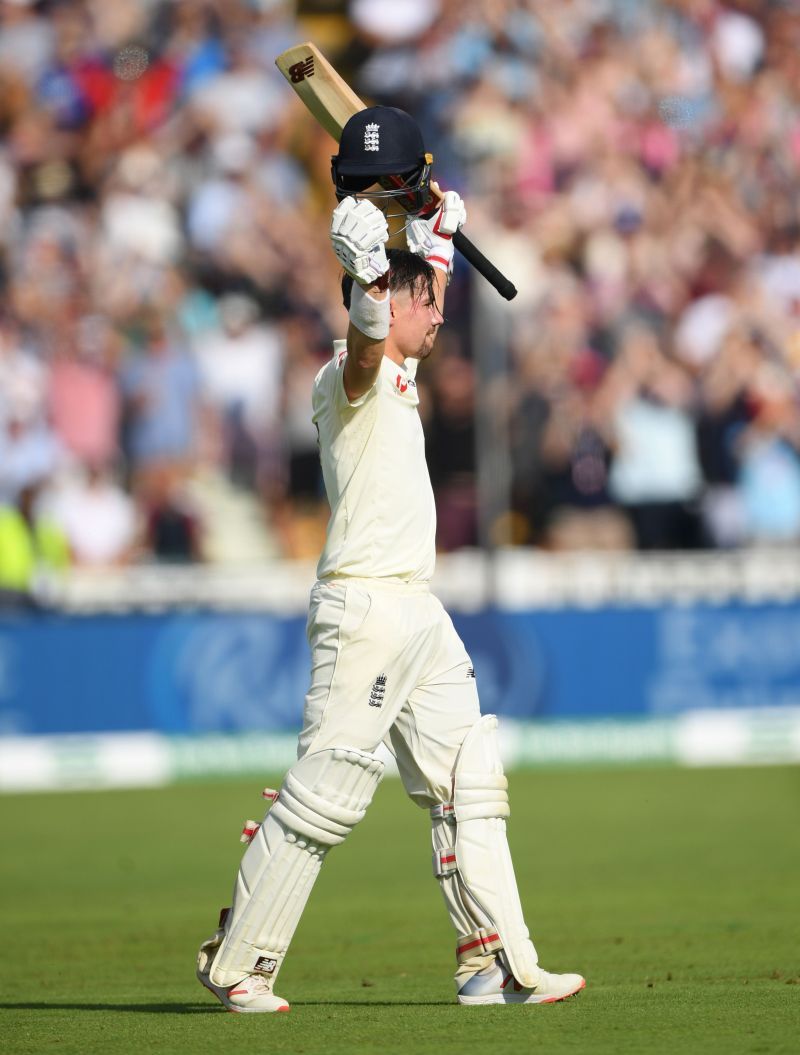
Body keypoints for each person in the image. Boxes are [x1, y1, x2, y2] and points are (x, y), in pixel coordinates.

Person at [196, 106, 585, 1013]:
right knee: (328, 791)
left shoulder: (404, 363)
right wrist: (366, 267)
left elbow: (413, 303)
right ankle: (237, 962)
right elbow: (374, 337)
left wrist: (438, 236)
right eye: (429, 301)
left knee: (468, 779)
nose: (439, 314)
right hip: (364, 609)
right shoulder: (350, 378)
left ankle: (494, 961)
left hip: (419, 610)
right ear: (389, 301)